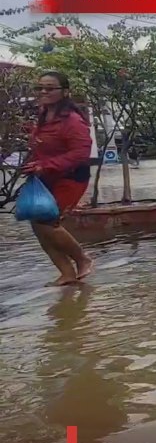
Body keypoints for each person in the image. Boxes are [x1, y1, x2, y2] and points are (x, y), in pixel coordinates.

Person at [20, 71, 94, 285]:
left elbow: (81, 153)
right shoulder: (42, 115)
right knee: (37, 225)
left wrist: (46, 165)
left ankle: (82, 258)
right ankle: (66, 273)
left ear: (64, 92)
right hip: (44, 178)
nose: (44, 92)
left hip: (70, 178)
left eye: (50, 88)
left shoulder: (72, 120)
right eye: (40, 88)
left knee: (46, 222)